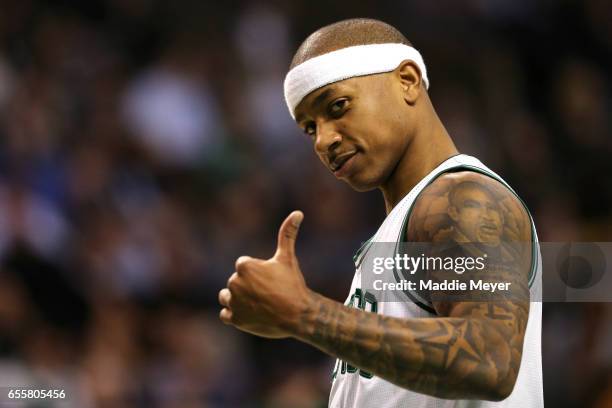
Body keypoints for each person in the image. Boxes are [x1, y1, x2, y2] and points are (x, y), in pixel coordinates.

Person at [218, 18, 543, 407]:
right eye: (309, 128)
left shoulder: (461, 198)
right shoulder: (402, 224)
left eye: (338, 107)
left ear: (407, 80)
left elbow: (490, 361)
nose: (324, 140)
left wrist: (305, 313)